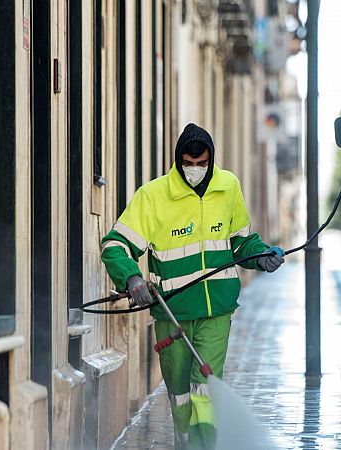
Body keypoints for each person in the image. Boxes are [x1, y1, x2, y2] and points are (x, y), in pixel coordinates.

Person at [100, 123, 285, 449]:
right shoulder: (153, 197)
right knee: (180, 393)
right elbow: (115, 245)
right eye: (189, 164)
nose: (196, 170)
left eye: (202, 164)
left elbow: (241, 244)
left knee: (205, 388)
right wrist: (131, 277)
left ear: (211, 161)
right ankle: (186, 443)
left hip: (217, 311)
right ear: (178, 160)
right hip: (172, 314)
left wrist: (261, 257)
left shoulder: (228, 187)